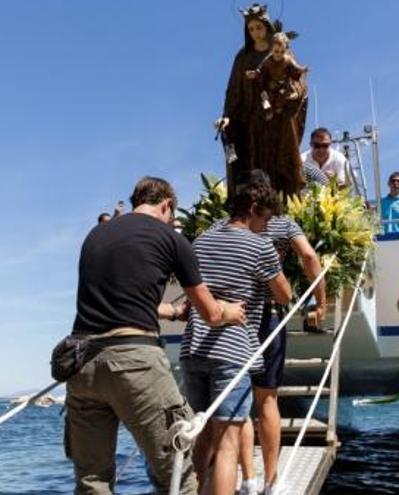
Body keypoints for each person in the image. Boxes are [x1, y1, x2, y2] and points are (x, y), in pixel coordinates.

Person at [66, 177, 247, 495]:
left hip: (81, 363)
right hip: (135, 362)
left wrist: (175, 312)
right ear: (166, 205)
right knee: (178, 475)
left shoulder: (96, 235)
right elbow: (211, 314)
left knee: (92, 482)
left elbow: (128, 300)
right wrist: (231, 312)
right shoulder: (170, 238)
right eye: (171, 216)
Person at [181, 178, 293, 495]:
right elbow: (284, 295)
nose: (266, 225)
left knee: (201, 435)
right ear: (253, 210)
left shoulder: (200, 241)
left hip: (193, 349)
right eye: (266, 218)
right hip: (233, 352)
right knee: (228, 443)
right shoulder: (260, 246)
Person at [231, 172, 327, 495]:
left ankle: (247, 479)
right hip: (271, 313)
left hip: (238, 315)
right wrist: (320, 302)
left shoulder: (233, 225)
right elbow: (310, 257)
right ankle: (272, 481)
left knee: (240, 398)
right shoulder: (284, 224)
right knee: (267, 399)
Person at [215, 5, 277, 194]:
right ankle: (245, 196)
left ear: (267, 27)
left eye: (259, 28)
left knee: (269, 159)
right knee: (242, 155)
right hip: (246, 115)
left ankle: (272, 195)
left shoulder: (278, 51)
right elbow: (233, 88)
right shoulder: (242, 57)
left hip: (271, 114)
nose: (256, 33)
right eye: (251, 29)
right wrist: (227, 115)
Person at [247, 29, 309, 197]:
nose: (279, 54)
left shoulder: (288, 60)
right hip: (270, 97)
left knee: (286, 141)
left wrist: (302, 72)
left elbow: (297, 73)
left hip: (283, 97)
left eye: (282, 51)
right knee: (265, 100)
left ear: (286, 49)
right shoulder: (267, 62)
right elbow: (260, 75)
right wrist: (255, 75)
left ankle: (288, 180)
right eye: (276, 51)